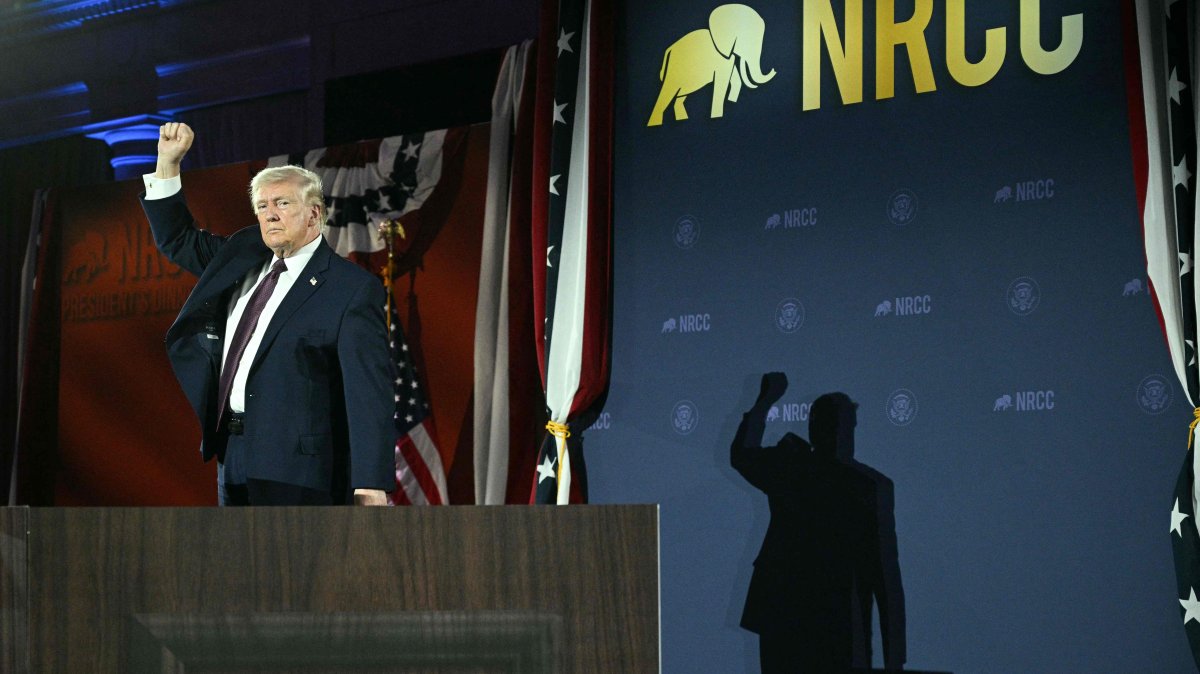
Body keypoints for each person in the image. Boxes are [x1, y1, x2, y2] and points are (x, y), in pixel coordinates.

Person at [139, 122, 395, 506]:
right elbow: (178, 239)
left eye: (282, 203)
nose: (269, 214)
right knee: (240, 565)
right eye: (262, 206)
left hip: (302, 471)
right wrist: (167, 165)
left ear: (314, 214)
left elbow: (368, 392)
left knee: (295, 567)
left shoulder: (351, 289)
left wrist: (370, 483)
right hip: (233, 454)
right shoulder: (241, 259)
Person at [732, 373, 905, 672]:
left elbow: (740, 455)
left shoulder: (788, 469)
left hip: (786, 617)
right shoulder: (864, 486)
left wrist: (764, 401)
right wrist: (893, 659)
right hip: (832, 621)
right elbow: (882, 578)